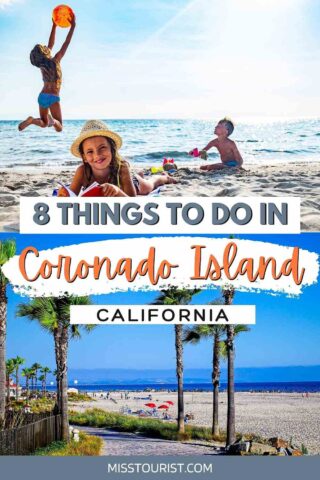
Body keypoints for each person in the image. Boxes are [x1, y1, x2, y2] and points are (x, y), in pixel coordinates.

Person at [59, 119, 177, 197]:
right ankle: (139, 174)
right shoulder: (82, 171)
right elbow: (71, 197)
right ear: (84, 157)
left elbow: (131, 202)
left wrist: (117, 191)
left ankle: (163, 177)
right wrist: (64, 197)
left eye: (102, 148)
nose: (97, 155)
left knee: (149, 185)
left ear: (112, 149)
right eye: (90, 151)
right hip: (125, 182)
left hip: (129, 187)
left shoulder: (122, 167)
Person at [18, 16, 76, 132]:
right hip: (53, 97)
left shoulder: (42, 65)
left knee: (43, 123)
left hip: (42, 96)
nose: (47, 47)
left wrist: (54, 26)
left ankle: (32, 120)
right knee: (59, 127)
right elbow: (66, 42)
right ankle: (53, 121)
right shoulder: (56, 60)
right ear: (45, 53)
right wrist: (72, 26)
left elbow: (51, 44)